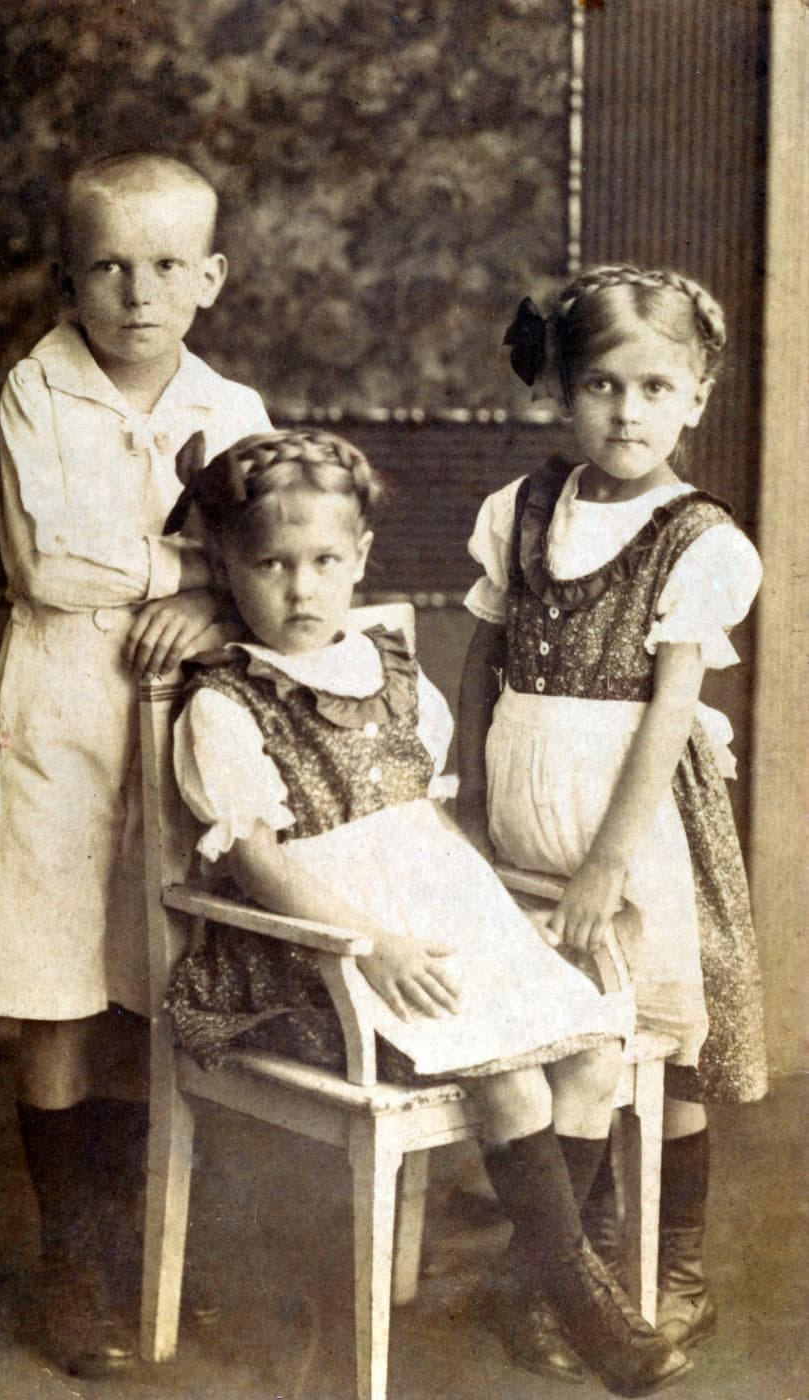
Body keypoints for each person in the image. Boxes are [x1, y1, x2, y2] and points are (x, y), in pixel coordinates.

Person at [162, 426, 692, 1395]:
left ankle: (528, 1282)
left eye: (324, 561)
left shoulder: (391, 672)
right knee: (515, 1085)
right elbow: (259, 866)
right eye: (270, 563)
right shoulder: (224, 703)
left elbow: (430, 826)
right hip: (315, 953)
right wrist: (371, 946)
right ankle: (580, 1298)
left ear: (359, 557)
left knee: (590, 1052)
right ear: (224, 566)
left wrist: (485, 920)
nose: (300, 587)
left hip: (427, 909)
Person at [0, 151, 272, 1376]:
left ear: (208, 275)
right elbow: (51, 564)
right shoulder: (33, 393)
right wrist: (193, 572)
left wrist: (220, 606)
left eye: (165, 265)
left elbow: (277, 555)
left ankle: (136, 1252)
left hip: (180, 725)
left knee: (147, 984)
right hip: (60, 712)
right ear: (69, 273)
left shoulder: (236, 408)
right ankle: (67, 1265)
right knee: (57, 982)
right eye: (108, 264)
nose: (137, 292)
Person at [458, 264, 768, 1357]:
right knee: (554, 1033)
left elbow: (665, 716)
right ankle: (557, 1263)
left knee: (660, 1044)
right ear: (560, 389)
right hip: (519, 817)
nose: (624, 411)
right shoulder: (522, 507)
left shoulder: (700, 539)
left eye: (651, 386)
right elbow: (481, 660)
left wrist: (605, 861)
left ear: (694, 396)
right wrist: (471, 802)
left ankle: (665, 1267)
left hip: (627, 827)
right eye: (599, 384)